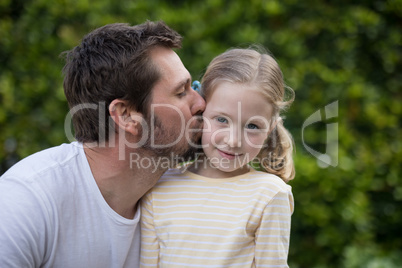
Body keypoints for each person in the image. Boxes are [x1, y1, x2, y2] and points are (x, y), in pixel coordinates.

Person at [0, 21, 205, 267]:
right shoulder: (26, 202)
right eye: (181, 92)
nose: (201, 102)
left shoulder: (184, 197)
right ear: (126, 115)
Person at [140, 47, 295, 267]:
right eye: (222, 119)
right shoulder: (160, 186)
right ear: (201, 112)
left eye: (252, 126)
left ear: (269, 129)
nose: (233, 140)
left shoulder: (269, 195)